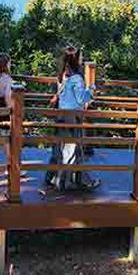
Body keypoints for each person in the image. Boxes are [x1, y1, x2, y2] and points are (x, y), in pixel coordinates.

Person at [45, 46, 100, 191]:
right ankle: (64, 182)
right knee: (72, 148)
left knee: (59, 147)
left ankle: (52, 177)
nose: (82, 60)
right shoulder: (76, 78)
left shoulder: (62, 75)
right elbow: (81, 98)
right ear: (77, 59)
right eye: (81, 57)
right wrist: (92, 89)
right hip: (72, 116)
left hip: (61, 115)